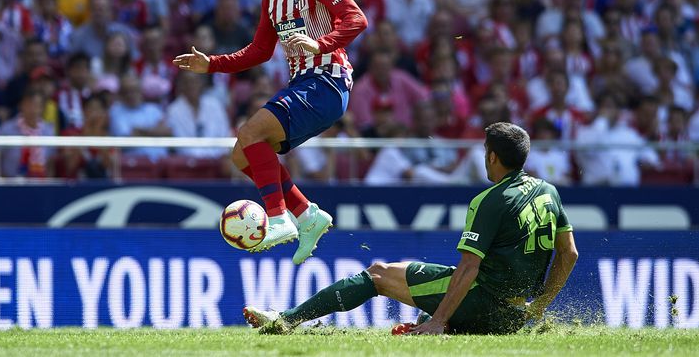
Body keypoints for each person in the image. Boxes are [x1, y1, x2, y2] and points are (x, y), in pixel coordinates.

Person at [243, 122, 578, 335]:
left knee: (377, 274)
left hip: (483, 302)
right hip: (515, 314)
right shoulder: (549, 191)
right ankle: (441, 325)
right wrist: (540, 305)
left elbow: (468, 267)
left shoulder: (490, 200)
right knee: (425, 288)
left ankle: (285, 321)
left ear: (492, 158)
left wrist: (438, 319)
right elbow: (569, 253)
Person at [172, 0, 368, 264]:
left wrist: (319, 44)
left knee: (251, 132)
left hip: (328, 82)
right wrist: (212, 64)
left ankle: (278, 219)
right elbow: (259, 52)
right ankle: (307, 215)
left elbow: (356, 20)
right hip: (303, 84)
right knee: (242, 153)